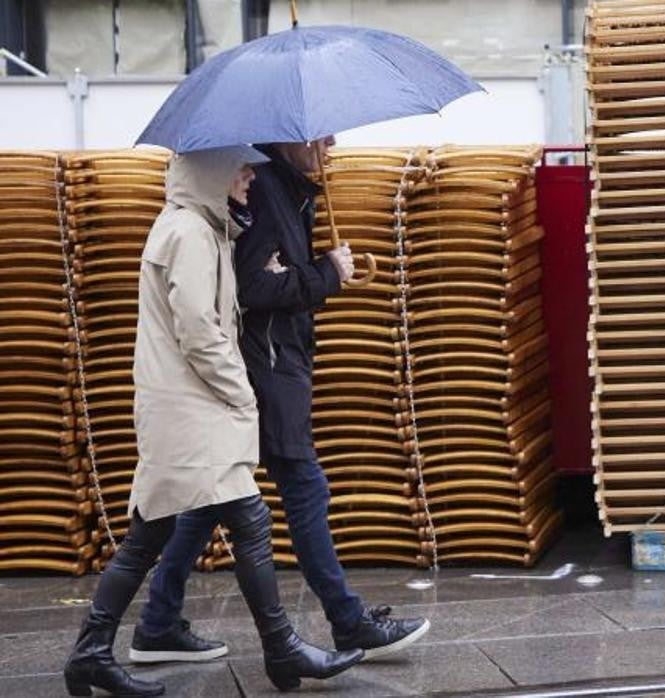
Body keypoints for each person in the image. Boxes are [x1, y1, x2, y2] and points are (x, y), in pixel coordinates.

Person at [64, 146, 363, 697]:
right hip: (191, 409)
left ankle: (94, 652)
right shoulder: (190, 236)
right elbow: (199, 330)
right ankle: (282, 650)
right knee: (247, 522)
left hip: (187, 409)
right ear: (210, 173)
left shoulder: (203, 230)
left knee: (150, 536)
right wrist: (242, 394)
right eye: (241, 167)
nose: (252, 174)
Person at [129, 136, 429, 668]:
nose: (331, 142)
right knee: (304, 488)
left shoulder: (290, 191)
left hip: (274, 364)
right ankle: (346, 620)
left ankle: (156, 624)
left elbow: (268, 278)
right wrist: (325, 274)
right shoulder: (263, 192)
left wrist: (316, 268)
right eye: (322, 133)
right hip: (262, 370)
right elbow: (247, 290)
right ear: (288, 137)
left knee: (204, 504)